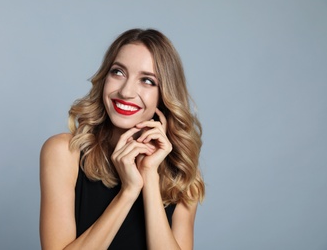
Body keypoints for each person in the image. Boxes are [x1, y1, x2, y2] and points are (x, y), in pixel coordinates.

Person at [40, 28, 205, 250]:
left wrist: (149, 176)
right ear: (104, 77)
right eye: (118, 72)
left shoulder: (182, 175)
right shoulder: (64, 152)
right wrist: (128, 192)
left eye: (147, 80)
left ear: (164, 95)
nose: (126, 91)